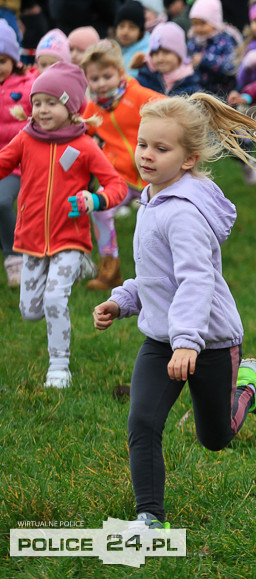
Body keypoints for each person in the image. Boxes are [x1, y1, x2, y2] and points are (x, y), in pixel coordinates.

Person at [92, 93, 256, 531]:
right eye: (143, 144)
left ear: (189, 159)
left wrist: (188, 342)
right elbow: (157, 276)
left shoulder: (183, 215)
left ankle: (249, 386)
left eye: (161, 148)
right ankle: (150, 518)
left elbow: (196, 281)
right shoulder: (152, 200)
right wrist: (122, 300)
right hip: (162, 340)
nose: (146, 155)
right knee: (142, 422)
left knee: (215, 438)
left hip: (208, 341)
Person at [0, 62, 127, 386]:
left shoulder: (84, 146)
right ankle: (81, 268)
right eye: (37, 102)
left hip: (70, 238)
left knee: (55, 301)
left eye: (51, 103)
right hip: (31, 240)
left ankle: (59, 367)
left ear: (71, 108)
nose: (42, 110)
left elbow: (117, 185)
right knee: (30, 310)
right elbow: (3, 164)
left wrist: (94, 200)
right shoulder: (25, 139)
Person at [81, 41, 165, 289]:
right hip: (120, 178)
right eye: (94, 79)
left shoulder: (138, 95)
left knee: (161, 221)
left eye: (106, 76)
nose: (101, 84)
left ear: (120, 73)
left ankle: (164, 271)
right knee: (99, 206)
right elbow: (82, 130)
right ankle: (110, 267)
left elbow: (170, 108)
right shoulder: (94, 106)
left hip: (155, 176)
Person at [0, 20, 34, 286]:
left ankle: (15, 259)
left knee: (1, 201)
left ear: (14, 60)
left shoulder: (28, 86)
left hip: (16, 165)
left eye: (2, 60)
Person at [187, 0, 239, 98]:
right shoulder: (193, 42)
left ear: (214, 22)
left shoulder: (225, 40)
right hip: (198, 92)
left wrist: (205, 59)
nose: (198, 28)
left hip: (222, 93)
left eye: (203, 23)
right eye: (195, 24)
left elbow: (230, 66)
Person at [133, 22, 203, 96]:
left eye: (166, 53)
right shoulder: (144, 80)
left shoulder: (191, 85)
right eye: (155, 54)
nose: (160, 59)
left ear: (179, 55)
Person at [114, 1, 151, 79]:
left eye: (132, 27)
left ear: (140, 31)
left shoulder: (145, 56)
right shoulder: (113, 49)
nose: (125, 32)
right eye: (121, 26)